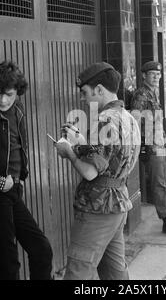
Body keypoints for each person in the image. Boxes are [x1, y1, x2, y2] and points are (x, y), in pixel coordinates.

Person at [54, 62, 141, 280]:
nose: (83, 99)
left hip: (97, 209)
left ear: (100, 90)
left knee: (78, 271)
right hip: (118, 203)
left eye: (85, 93)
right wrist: (81, 141)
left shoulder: (103, 120)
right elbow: (112, 160)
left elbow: (91, 173)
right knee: (114, 272)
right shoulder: (129, 118)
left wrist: (69, 152)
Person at [0, 61, 53, 280]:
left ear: (18, 92)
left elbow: (20, 146)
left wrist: (20, 178)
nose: (2, 100)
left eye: (9, 94)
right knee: (9, 259)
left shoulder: (18, 110)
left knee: (42, 249)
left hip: (14, 189)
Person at [130, 61, 166, 237]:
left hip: (158, 143)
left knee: (163, 181)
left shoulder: (152, 93)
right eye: (152, 74)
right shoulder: (141, 94)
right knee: (158, 183)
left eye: (159, 74)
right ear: (143, 75)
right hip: (151, 145)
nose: (157, 77)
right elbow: (135, 119)